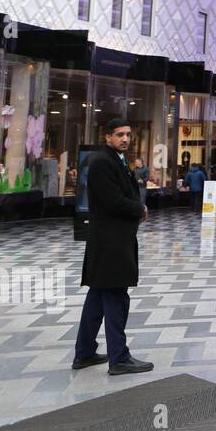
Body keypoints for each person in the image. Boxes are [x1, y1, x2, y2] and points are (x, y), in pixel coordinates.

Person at [73, 118, 153, 375]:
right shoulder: (102, 162)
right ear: (107, 136)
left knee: (97, 299)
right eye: (119, 134)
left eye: (128, 134)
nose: (125, 139)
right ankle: (119, 358)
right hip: (110, 243)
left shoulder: (114, 160)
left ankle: (84, 353)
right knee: (116, 298)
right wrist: (139, 209)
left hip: (112, 240)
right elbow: (113, 201)